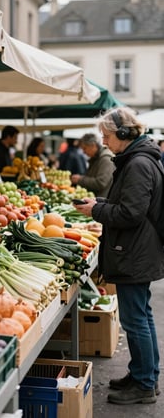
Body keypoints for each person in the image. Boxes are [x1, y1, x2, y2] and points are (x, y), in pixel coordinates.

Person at [73, 106, 164, 405]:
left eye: (107, 136)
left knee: (136, 320)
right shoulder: (138, 159)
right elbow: (127, 203)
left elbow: (131, 213)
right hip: (137, 248)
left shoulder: (138, 163)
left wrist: (97, 210)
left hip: (134, 250)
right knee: (142, 317)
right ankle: (142, 374)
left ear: (124, 134)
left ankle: (145, 385)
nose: (104, 142)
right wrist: (98, 202)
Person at [71, 133, 114, 197]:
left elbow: (101, 183)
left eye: (85, 148)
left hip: (101, 200)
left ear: (93, 145)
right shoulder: (96, 158)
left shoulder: (105, 159)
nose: (83, 152)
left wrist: (80, 179)